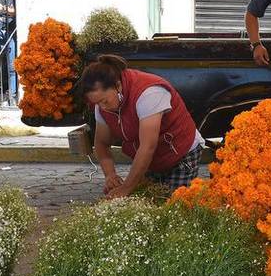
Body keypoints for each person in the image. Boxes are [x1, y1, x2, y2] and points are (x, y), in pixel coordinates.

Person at [80, 54, 205, 198]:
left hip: (181, 153)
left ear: (118, 86)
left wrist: (126, 188)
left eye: (105, 101)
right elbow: (101, 143)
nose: (102, 107)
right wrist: (110, 175)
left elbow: (147, 147)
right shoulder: (102, 104)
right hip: (153, 159)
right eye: (97, 103)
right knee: (150, 203)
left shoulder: (149, 93)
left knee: (176, 205)